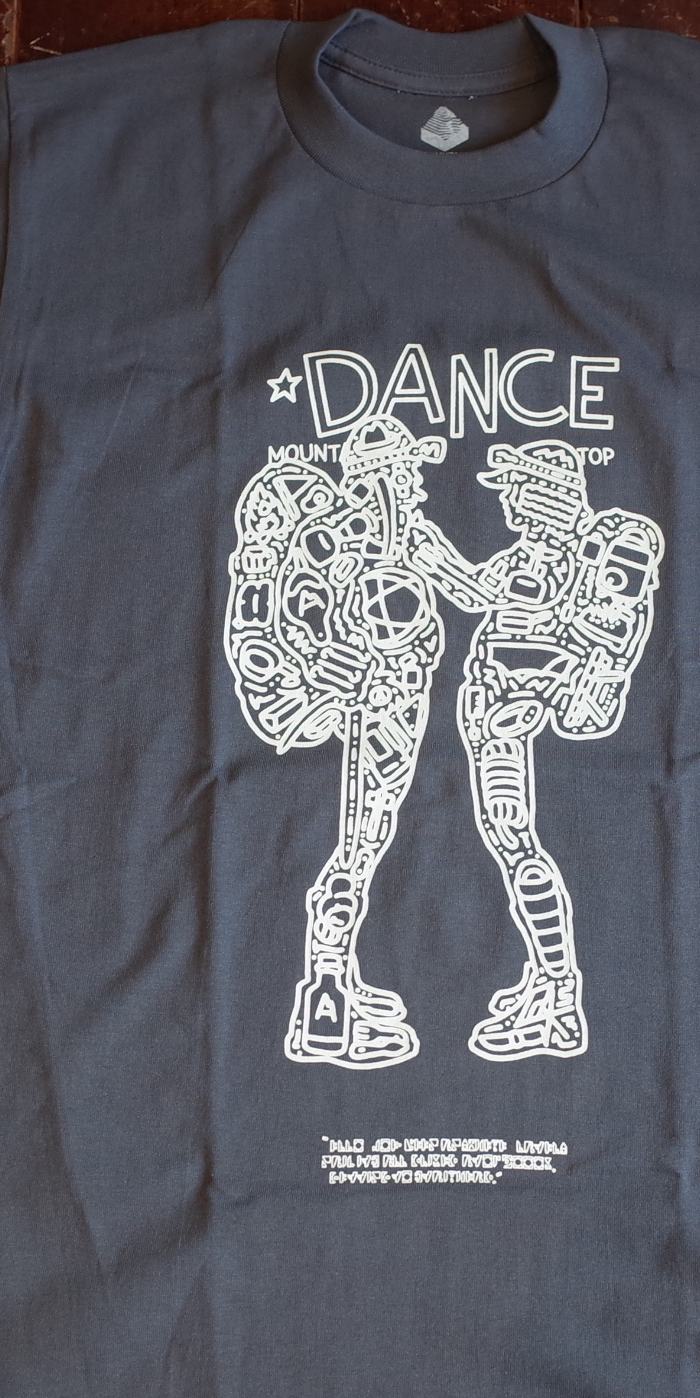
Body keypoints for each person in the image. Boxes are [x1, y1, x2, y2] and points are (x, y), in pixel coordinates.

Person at [223, 413, 455, 1067]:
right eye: (406, 472)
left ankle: (340, 978)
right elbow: (281, 623)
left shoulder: (404, 536)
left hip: (390, 703)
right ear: (378, 477)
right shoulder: (333, 539)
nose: (417, 484)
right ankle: (324, 1007)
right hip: (354, 707)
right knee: (354, 848)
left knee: (369, 841)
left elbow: (471, 590)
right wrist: (332, 669)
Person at [438, 438, 664, 1060]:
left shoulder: (574, 562)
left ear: (545, 496)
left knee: (515, 837)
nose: (507, 500)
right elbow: (476, 592)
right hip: (495, 711)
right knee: (509, 837)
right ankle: (548, 980)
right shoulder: (531, 556)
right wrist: (424, 548)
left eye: (517, 488)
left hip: (511, 716)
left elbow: (593, 646)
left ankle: (559, 994)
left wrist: (539, 695)